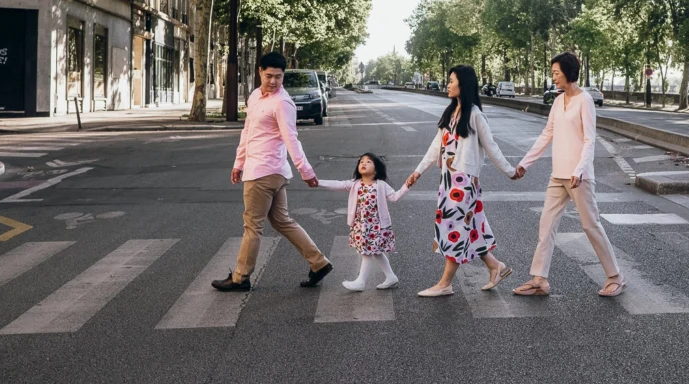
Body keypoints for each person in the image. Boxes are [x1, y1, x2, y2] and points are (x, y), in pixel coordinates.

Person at [212, 51, 333, 292]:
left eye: (278, 77)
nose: (273, 82)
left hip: (264, 172)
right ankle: (319, 263)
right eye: (269, 76)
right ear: (259, 72)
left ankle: (241, 277)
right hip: (264, 169)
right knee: (282, 221)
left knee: (253, 225)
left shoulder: (283, 103)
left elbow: (292, 139)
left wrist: (305, 170)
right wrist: (238, 162)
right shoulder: (256, 96)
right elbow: (247, 132)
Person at [512, 52, 625, 298]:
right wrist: (524, 164)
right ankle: (539, 279)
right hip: (558, 175)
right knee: (546, 225)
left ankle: (615, 276)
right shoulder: (557, 101)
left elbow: (589, 139)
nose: (553, 77)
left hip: (578, 176)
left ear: (568, 72)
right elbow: (546, 134)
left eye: (556, 73)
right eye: (552, 73)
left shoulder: (584, 100)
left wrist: (580, 170)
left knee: (590, 225)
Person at [405, 65, 517, 297]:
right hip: (448, 180)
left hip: (463, 183)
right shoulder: (450, 113)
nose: (448, 84)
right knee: (472, 228)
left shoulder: (475, 115)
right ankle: (495, 266)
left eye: (452, 80)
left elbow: (492, 147)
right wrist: (417, 172)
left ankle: (445, 283)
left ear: (463, 84)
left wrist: (511, 171)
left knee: (454, 228)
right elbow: (436, 146)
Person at [318, 153, 409, 291]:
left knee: (367, 252)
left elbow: (395, 197)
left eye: (368, 162)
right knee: (376, 252)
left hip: (378, 227)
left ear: (376, 169)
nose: (363, 163)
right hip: (362, 226)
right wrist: (318, 182)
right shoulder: (355, 184)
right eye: (361, 162)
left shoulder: (381, 185)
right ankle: (391, 277)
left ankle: (360, 282)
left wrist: (407, 185)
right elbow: (337, 184)